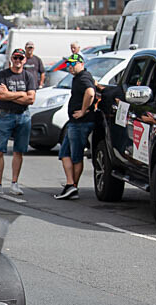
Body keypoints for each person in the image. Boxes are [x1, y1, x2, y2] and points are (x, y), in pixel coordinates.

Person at [0, 48, 36, 197]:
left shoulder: (28, 76)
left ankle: (14, 183)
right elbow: (1, 95)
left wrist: (11, 95)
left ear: (24, 60)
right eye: (15, 58)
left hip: (23, 116)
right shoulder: (3, 75)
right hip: (6, 115)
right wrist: (21, 94)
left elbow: (31, 99)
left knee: (18, 151)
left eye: (21, 58)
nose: (18, 61)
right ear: (11, 59)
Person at [54, 54, 96, 200]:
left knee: (76, 156)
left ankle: (73, 186)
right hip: (74, 123)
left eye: (73, 64)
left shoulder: (83, 77)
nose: (70, 67)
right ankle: (70, 185)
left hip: (80, 124)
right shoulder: (79, 77)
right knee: (64, 153)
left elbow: (90, 92)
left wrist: (84, 110)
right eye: (68, 65)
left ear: (82, 63)